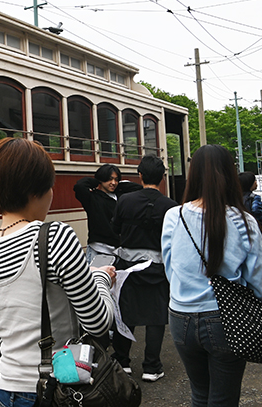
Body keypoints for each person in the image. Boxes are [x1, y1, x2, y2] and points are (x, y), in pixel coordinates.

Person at [0, 138, 116, 407]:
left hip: (6, 393)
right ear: (36, 190)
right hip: (56, 391)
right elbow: (98, 322)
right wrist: (100, 277)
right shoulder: (55, 236)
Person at [161, 145, 262, 407]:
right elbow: (259, 279)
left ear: (193, 174)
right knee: (224, 398)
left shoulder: (173, 216)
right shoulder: (243, 220)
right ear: (229, 174)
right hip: (227, 317)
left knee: (199, 394)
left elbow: (170, 268)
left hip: (180, 317)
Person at [111, 156, 177, 382]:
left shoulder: (125, 201)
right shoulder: (171, 207)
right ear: (162, 177)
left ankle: (122, 361)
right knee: (156, 317)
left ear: (140, 175)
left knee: (125, 313)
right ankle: (151, 366)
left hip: (128, 268)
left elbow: (115, 229)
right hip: (158, 269)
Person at [74, 164, 141, 265]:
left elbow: (139, 189)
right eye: (109, 179)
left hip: (119, 251)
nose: (113, 183)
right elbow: (79, 186)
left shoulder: (120, 196)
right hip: (99, 250)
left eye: (116, 179)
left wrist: (119, 185)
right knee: (99, 279)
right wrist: (98, 181)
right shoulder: (93, 198)